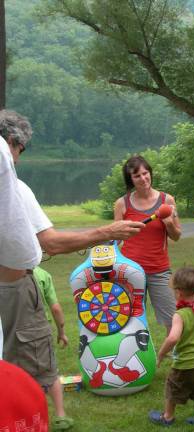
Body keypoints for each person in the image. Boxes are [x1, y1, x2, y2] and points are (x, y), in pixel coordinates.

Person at [0, 109, 144, 425]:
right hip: (16, 291)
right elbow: (52, 243)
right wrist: (108, 232)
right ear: (12, 141)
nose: (18, 160)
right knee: (30, 372)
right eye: (19, 151)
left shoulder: (13, 188)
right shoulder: (11, 177)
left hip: (9, 288)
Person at [114, 155, 182, 334]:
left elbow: (176, 236)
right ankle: (134, 356)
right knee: (129, 318)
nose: (143, 178)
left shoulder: (167, 201)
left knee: (171, 318)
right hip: (130, 271)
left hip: (159, 270)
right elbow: (116, 239)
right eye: (137, 176)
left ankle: (175, 354)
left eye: (145, 173)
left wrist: (168, 223)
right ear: (131, 179)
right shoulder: (122, 204)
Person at [149, 266, 194, 427]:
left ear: (179, 292)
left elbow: (173, 338)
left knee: (172, 388)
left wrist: (160, 353)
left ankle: (167, 417)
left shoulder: (180, 315)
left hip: (186, 363)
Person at [34, 266, 73, 430]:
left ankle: (26, 414)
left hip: (9, 330)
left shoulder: (5, 271)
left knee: (17, 374)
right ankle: (60, 415)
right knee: (50, 373)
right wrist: (61, 332)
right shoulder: (42, 274)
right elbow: (56, 308)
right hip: (40, 331)